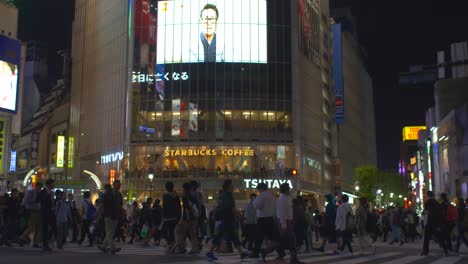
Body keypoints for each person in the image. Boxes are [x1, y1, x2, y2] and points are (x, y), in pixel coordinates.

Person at [261, 183, 304, 264]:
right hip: (284, 222)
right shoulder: (282, 199)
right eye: (288, 189)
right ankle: (293, 259)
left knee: (283, 241)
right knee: (288, 240)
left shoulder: (286, 198)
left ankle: (266, 251)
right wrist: (283, 224)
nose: (290, 190)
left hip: (285, 222)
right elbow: (281, 213)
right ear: (286, 190)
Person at [206, 180, 248, 261]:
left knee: (233, 236)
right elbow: (231, 208)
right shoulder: (229, 196)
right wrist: (239, 215)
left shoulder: (222, 195)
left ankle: (241, 252)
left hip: (225, 219)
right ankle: (210, 252)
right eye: (232, 186)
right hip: (228, 219)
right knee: (222, 236)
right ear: (229, 187)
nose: (233, 187)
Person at [250, 183, 277, 258]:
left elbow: (257, 206)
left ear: (261, 189)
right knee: (272, 237)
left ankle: (255, 253)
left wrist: (254, 200)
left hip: (263, 219)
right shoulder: (271, 196)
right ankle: (281, 251)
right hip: (270, 218)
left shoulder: (262, 195)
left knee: (258, 237)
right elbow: (275, 208)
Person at [98, 180, 123, 254]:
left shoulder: (119, 195)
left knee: (111, 233)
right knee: (109, 232)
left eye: (119, 185)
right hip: (108, 215)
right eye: (117, 185)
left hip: (115, 215)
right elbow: (101, 202)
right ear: (114, 185)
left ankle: (103, 246)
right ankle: (113, 248)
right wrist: (99, 212)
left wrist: (121, 213)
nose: (118, 187)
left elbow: (120, 205)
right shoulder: (108, 193)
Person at [174, 182, 199, 254]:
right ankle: (195, 248)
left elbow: (186, 206)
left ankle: (181, 248)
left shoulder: (185, 196)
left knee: (181, 233)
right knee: (193, 234)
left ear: (184, 188)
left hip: (187, 217)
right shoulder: (194, 195)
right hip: (194, 217)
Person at [421, 191, 447, 256]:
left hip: (429, 222)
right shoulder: (436, 202)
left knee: (427, 237)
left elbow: (427, 212)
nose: (425, 196)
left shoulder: (428, 202)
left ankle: (425, 251)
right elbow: (439, 213)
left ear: (428, 195)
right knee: (438, 236)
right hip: (435, 222)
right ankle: (445, 248)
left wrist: (424, 216)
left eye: (425, 195)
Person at [19, 182, 43, 247]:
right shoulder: (31, 192)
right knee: (32, 227)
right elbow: (26, 200)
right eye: (39, 187)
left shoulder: (40, 193)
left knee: (38, 227)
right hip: (32, 211)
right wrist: (34, 200)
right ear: (36, 186)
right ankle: (22, 237)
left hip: (39, 211)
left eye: (41, 187)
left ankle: (35, 242)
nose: (40, 188)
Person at [162, 181, 181, 251]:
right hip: (175, 217)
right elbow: (179, 207)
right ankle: (172, 243)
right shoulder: (176, 196)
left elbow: (164, 207)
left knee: (165, 231)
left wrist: (163, 216)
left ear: (166, 188)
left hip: (167, 217)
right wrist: (179, 217)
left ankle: (171, 243)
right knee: (172, 231)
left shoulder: (165, 196)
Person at [39, 179, 55, 251]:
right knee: (45, 228)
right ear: (48, 185)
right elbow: (39, 200)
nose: (53, 185)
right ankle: (45, 244)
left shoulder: (52, 193)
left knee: (53, 226)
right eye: (52, 184)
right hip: (44, 212)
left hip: (51, 212)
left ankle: (47, 242)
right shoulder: (43, 192)